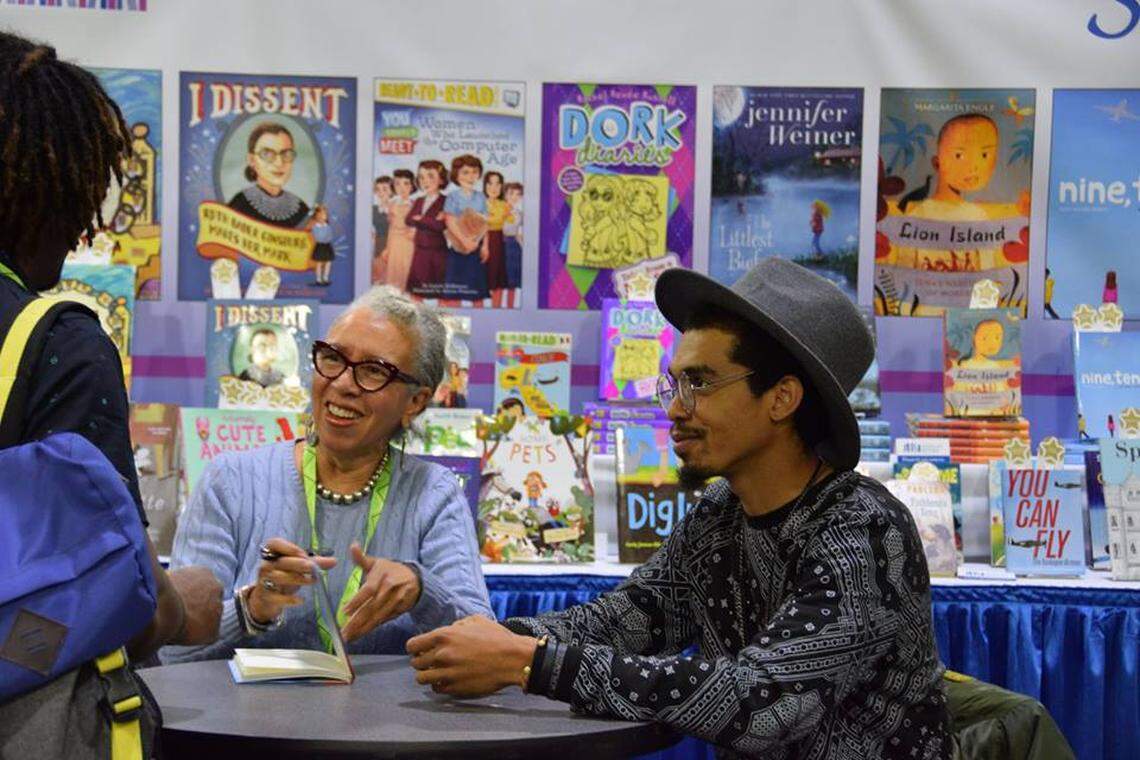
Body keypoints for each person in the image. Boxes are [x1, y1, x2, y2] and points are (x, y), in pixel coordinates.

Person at [408, 258, 951, 758]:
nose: (674, 408)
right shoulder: (721, 512)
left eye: (700, 383)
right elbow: (627, 620)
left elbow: (764, 704)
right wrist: (495, 641)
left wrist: (530, 662)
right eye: (676, 383)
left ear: (782, 398)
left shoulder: (863, 529)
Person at [0, 31, 221, 751]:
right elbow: (105, 600)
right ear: (42, 184)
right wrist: (183, 608)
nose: (83, 228)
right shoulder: (53, 343)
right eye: (84, 191)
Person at [163, 285, 492, 663]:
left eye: (374, 371)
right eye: (333, 358)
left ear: (414, 402)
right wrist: (252, 609)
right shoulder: (231, 482)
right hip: (241, 704)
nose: (343, 383)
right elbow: (173, 652)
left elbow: (483, 646)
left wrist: (422, 590)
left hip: (386, 704)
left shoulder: (434, 494)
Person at [228, 121, 311, 228]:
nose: (279, 163)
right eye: (267, 154)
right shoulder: (239, 205)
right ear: (251, 160)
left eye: (286, 154)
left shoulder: (301, 208)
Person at [442, 154, 489, 304]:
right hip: (458, 247)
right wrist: (464, 241)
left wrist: (485, 246)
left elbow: (485, 223)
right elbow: (450, 221)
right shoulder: (452, 197)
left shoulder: (481, 197)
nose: (470, 176)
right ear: (456, 175)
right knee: (455, 290)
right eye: (465, 172)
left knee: (477, 291)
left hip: (476, 246)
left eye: (474, 172)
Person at [406, 160, 449, 296]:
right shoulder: (419, 200)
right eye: (421, 177)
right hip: (419, 248)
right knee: (416, 289)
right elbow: (408, 219)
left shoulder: (446, 201)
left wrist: (421, 219)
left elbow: (441, 225)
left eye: (430, 176)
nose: (425, 181)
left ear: (441, 180)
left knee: (435, 289)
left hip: (437, 251)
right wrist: (430, 221)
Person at [378, 169, 416, 290]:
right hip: (394, 241)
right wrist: (387, 248)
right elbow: (391, 227)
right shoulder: (392, 204)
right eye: (398, 184)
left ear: (412, 185)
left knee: (407, 268)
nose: (402, 187)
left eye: (406, 183)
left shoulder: (415, 204)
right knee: (393, 270)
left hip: (409, 242)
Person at [483, 171, 510, 308]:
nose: (494, 188)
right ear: (485, 185)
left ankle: (496, 307)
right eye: (490, 183)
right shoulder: (479, 203)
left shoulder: (504, 205)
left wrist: (489, 219)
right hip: (482, 239)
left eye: (497, 184)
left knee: (498, 276)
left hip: (499, 240)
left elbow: (510, 223)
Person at [502, 182, 524, 308]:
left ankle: (510, 308)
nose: (514, 197)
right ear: (505, 195)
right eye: (511, 193)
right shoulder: (497, 209)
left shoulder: (518, 213)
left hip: (514, 247)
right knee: (498, 281)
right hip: (500, 244)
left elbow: (519, 233)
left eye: (518, 194)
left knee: (513, 282)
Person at [308, 204, 335, 286]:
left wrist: (326, 238)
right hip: (320, 246)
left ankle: (325, 278)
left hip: (327, 246)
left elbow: (330, 235)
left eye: (324, 215)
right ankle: (318, 279)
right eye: (320, 215)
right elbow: (317, 237)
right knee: (319, 263)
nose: (322, 217)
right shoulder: (315, 227)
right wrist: (323, 238)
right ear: (316, 216)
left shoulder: (327, 226)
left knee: (328, 262)